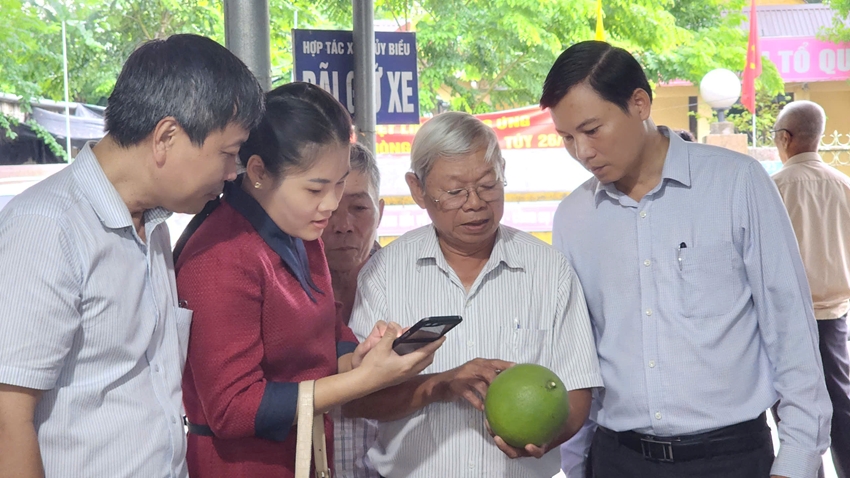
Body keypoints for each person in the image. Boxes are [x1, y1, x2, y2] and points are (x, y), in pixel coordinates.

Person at [540, 41, 831, 478]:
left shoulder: (737, 184)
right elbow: (579, 354)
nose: (582, 151)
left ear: (639, 103)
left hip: (730, 459)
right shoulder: (574, 217)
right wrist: (577, 465)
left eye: (592, 130)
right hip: (618, 459)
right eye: (567, 138)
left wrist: (797, 460)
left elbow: (791, 330)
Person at [0, 34, 264, 478]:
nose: (230, 174)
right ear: (166, 137)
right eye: (229, 153)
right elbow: (7, 419)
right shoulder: (47, 228)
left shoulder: (153, 225)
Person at [174, 82, 441, 478]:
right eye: (316, 188)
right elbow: (232, 409)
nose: (331, 205)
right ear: (259, 172)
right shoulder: (220, 256)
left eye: (340, 182)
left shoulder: (302, 232)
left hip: (307, 458)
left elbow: (326, 334)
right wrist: (363, 380)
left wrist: (361, 357)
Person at [343, 111, 603, 478]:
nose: (475, 203)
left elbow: (576, 391)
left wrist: (546, 439)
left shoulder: (550, 271)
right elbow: (358, 399)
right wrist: (440, 385)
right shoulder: (383, 274)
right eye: (455, 192)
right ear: (417, 189)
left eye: (488, 185)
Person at [771, 100, 850, 478]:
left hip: (785, 319)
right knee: (841, 405)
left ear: (785, 138)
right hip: (834, 316)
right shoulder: (844, 185)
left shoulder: (774, 189)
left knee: (793, 410)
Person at [322, 142, 385, 478]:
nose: (343, 225)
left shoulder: (408, 283)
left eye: (359, 208)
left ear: (380, 212)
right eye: (331, 207)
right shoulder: (281, 287)